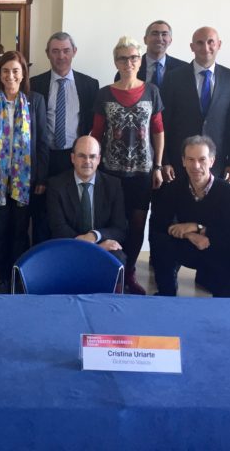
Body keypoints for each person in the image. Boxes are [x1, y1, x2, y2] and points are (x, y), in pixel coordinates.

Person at [91, 36, 164, 295]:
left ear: (140, 60)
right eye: (123, 58)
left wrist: (158, 166)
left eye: (133, 57)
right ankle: (112, 271)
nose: (129, 62)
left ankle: (129, 272)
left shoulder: (152, 91)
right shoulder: (104, 94)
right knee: (113, 222)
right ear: (116, 62)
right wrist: (93, 167)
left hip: (142, 173)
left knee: (137, 224)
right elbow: (97, 132)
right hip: (110, 173)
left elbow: (158, 130)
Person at [0, 51, 49, 294]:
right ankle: (3, 278)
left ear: (23, 73)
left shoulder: (35, 100)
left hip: (25, 179)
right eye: (5, 71)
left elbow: (42, 142)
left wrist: (41, 177)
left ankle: (19, 276)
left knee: (20, 231)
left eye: (15, 70)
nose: (11, 75)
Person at [149, 135, 230, 297]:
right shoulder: (172, 190)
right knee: (160, 240)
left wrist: (197, 227)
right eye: (190, 159)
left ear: (212, 161)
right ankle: (167, 292)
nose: (196, 166)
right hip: (185, 245)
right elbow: (158, 223)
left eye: (202, 160)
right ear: (183, 161)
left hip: (217, 247)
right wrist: (190, 234)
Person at [30, 31, 100, 243]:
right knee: (41, 212)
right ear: (47, 53)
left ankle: (70, 252)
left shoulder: (89, 85)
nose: (61, 56)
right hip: (43, 157)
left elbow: (91, 122)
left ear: (74, 52)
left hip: (74, 157)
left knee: (71, 211)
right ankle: (42, 255)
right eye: (55, 51)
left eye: (66, 51)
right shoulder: (34, 84)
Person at [160, 26, 230, 182]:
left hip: (215, 161)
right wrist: (165, 161)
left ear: (219, 44)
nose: (205, 47)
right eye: (199, 43)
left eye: (211, 42)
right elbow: (164, 122)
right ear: (192, 47)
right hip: (180, 161)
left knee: (213, 198)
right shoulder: (173, 78)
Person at [46, 135, 127, 265]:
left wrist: (94, 236)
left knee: (117, 257)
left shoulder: (113, 185)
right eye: (82, 156)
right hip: (69, 245)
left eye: (92, 156)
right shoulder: (56, 185)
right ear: (72, 158)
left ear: (99, 159)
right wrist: (94, 247)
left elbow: (119, 228)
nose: (87, 161)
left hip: (102, 242)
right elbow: (58, 228)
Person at [115, 20, 186, 85]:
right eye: (155, 34)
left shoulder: (183, 69)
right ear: (145, 39)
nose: (159, 38)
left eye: (164, 34)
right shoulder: (128, 69)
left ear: (170, 41)